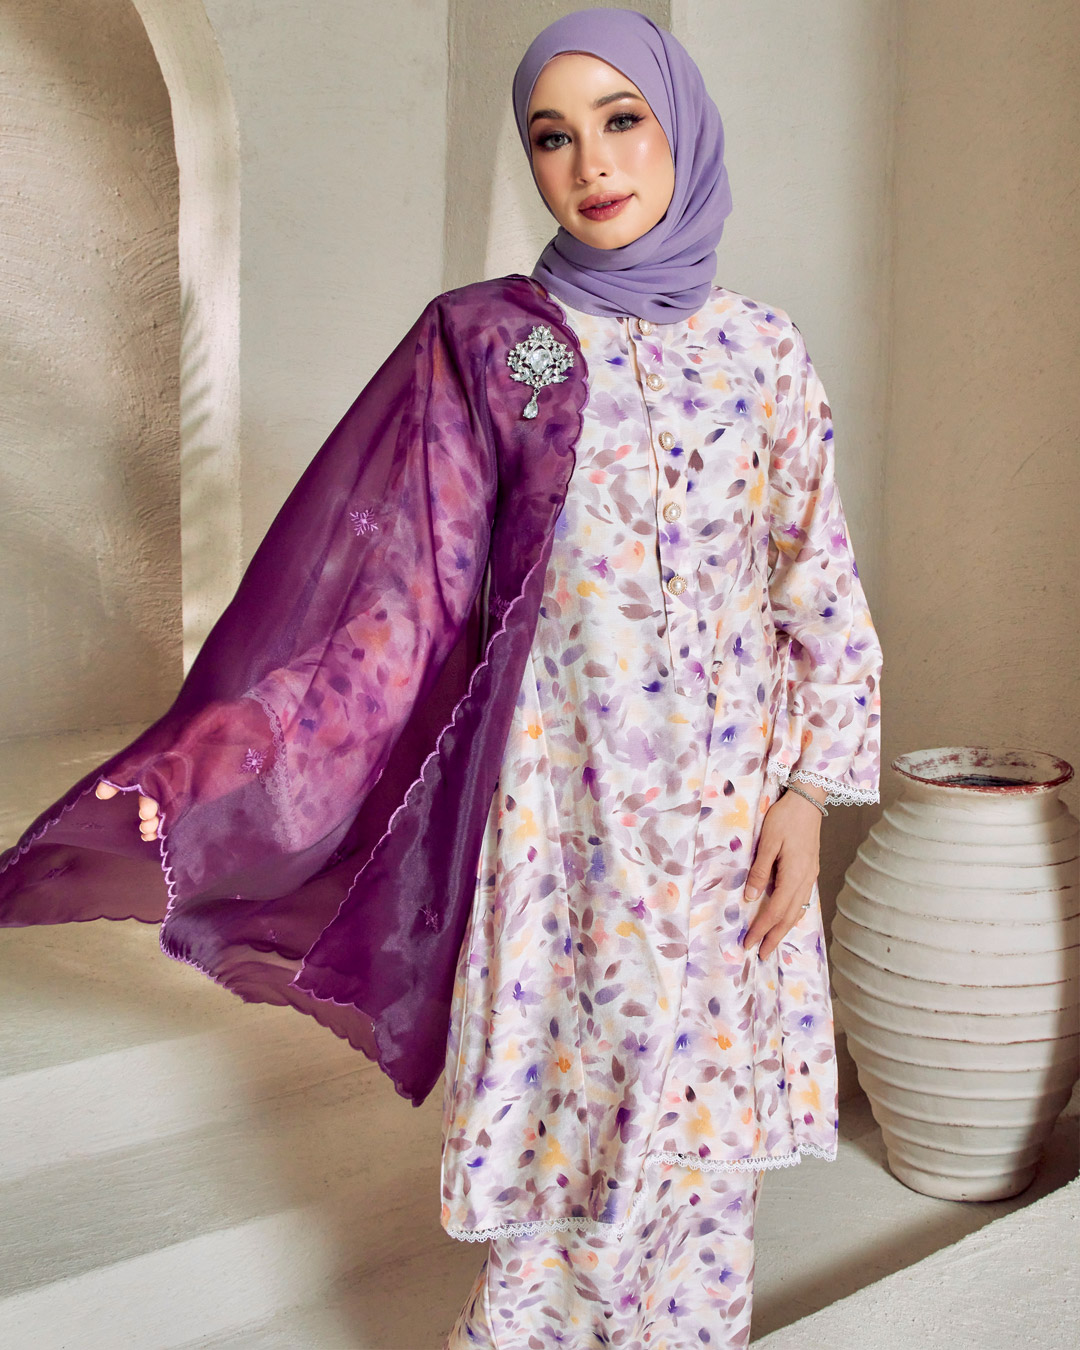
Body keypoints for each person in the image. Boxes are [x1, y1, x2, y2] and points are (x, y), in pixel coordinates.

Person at [0, 9, 881, 1347]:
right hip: (565, 821)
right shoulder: (488, 343)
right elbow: (397, 599)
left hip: (727, 820)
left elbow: (817, 585)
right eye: (552, 136)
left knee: (704, 1162)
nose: (591, 161)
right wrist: (215, 755)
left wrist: (808, 798)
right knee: (569, 1138)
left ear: (682, 129)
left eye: (622, 120)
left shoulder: (764, 352)